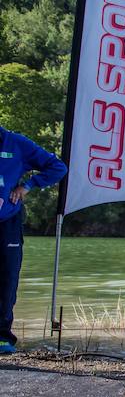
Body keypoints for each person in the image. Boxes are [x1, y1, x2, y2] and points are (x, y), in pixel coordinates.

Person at [0, 126, 67, 353]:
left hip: (7, 222)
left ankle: (3, 337)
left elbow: (58, 167)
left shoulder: (16, 143)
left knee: (7, 278)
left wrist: (28, 185)